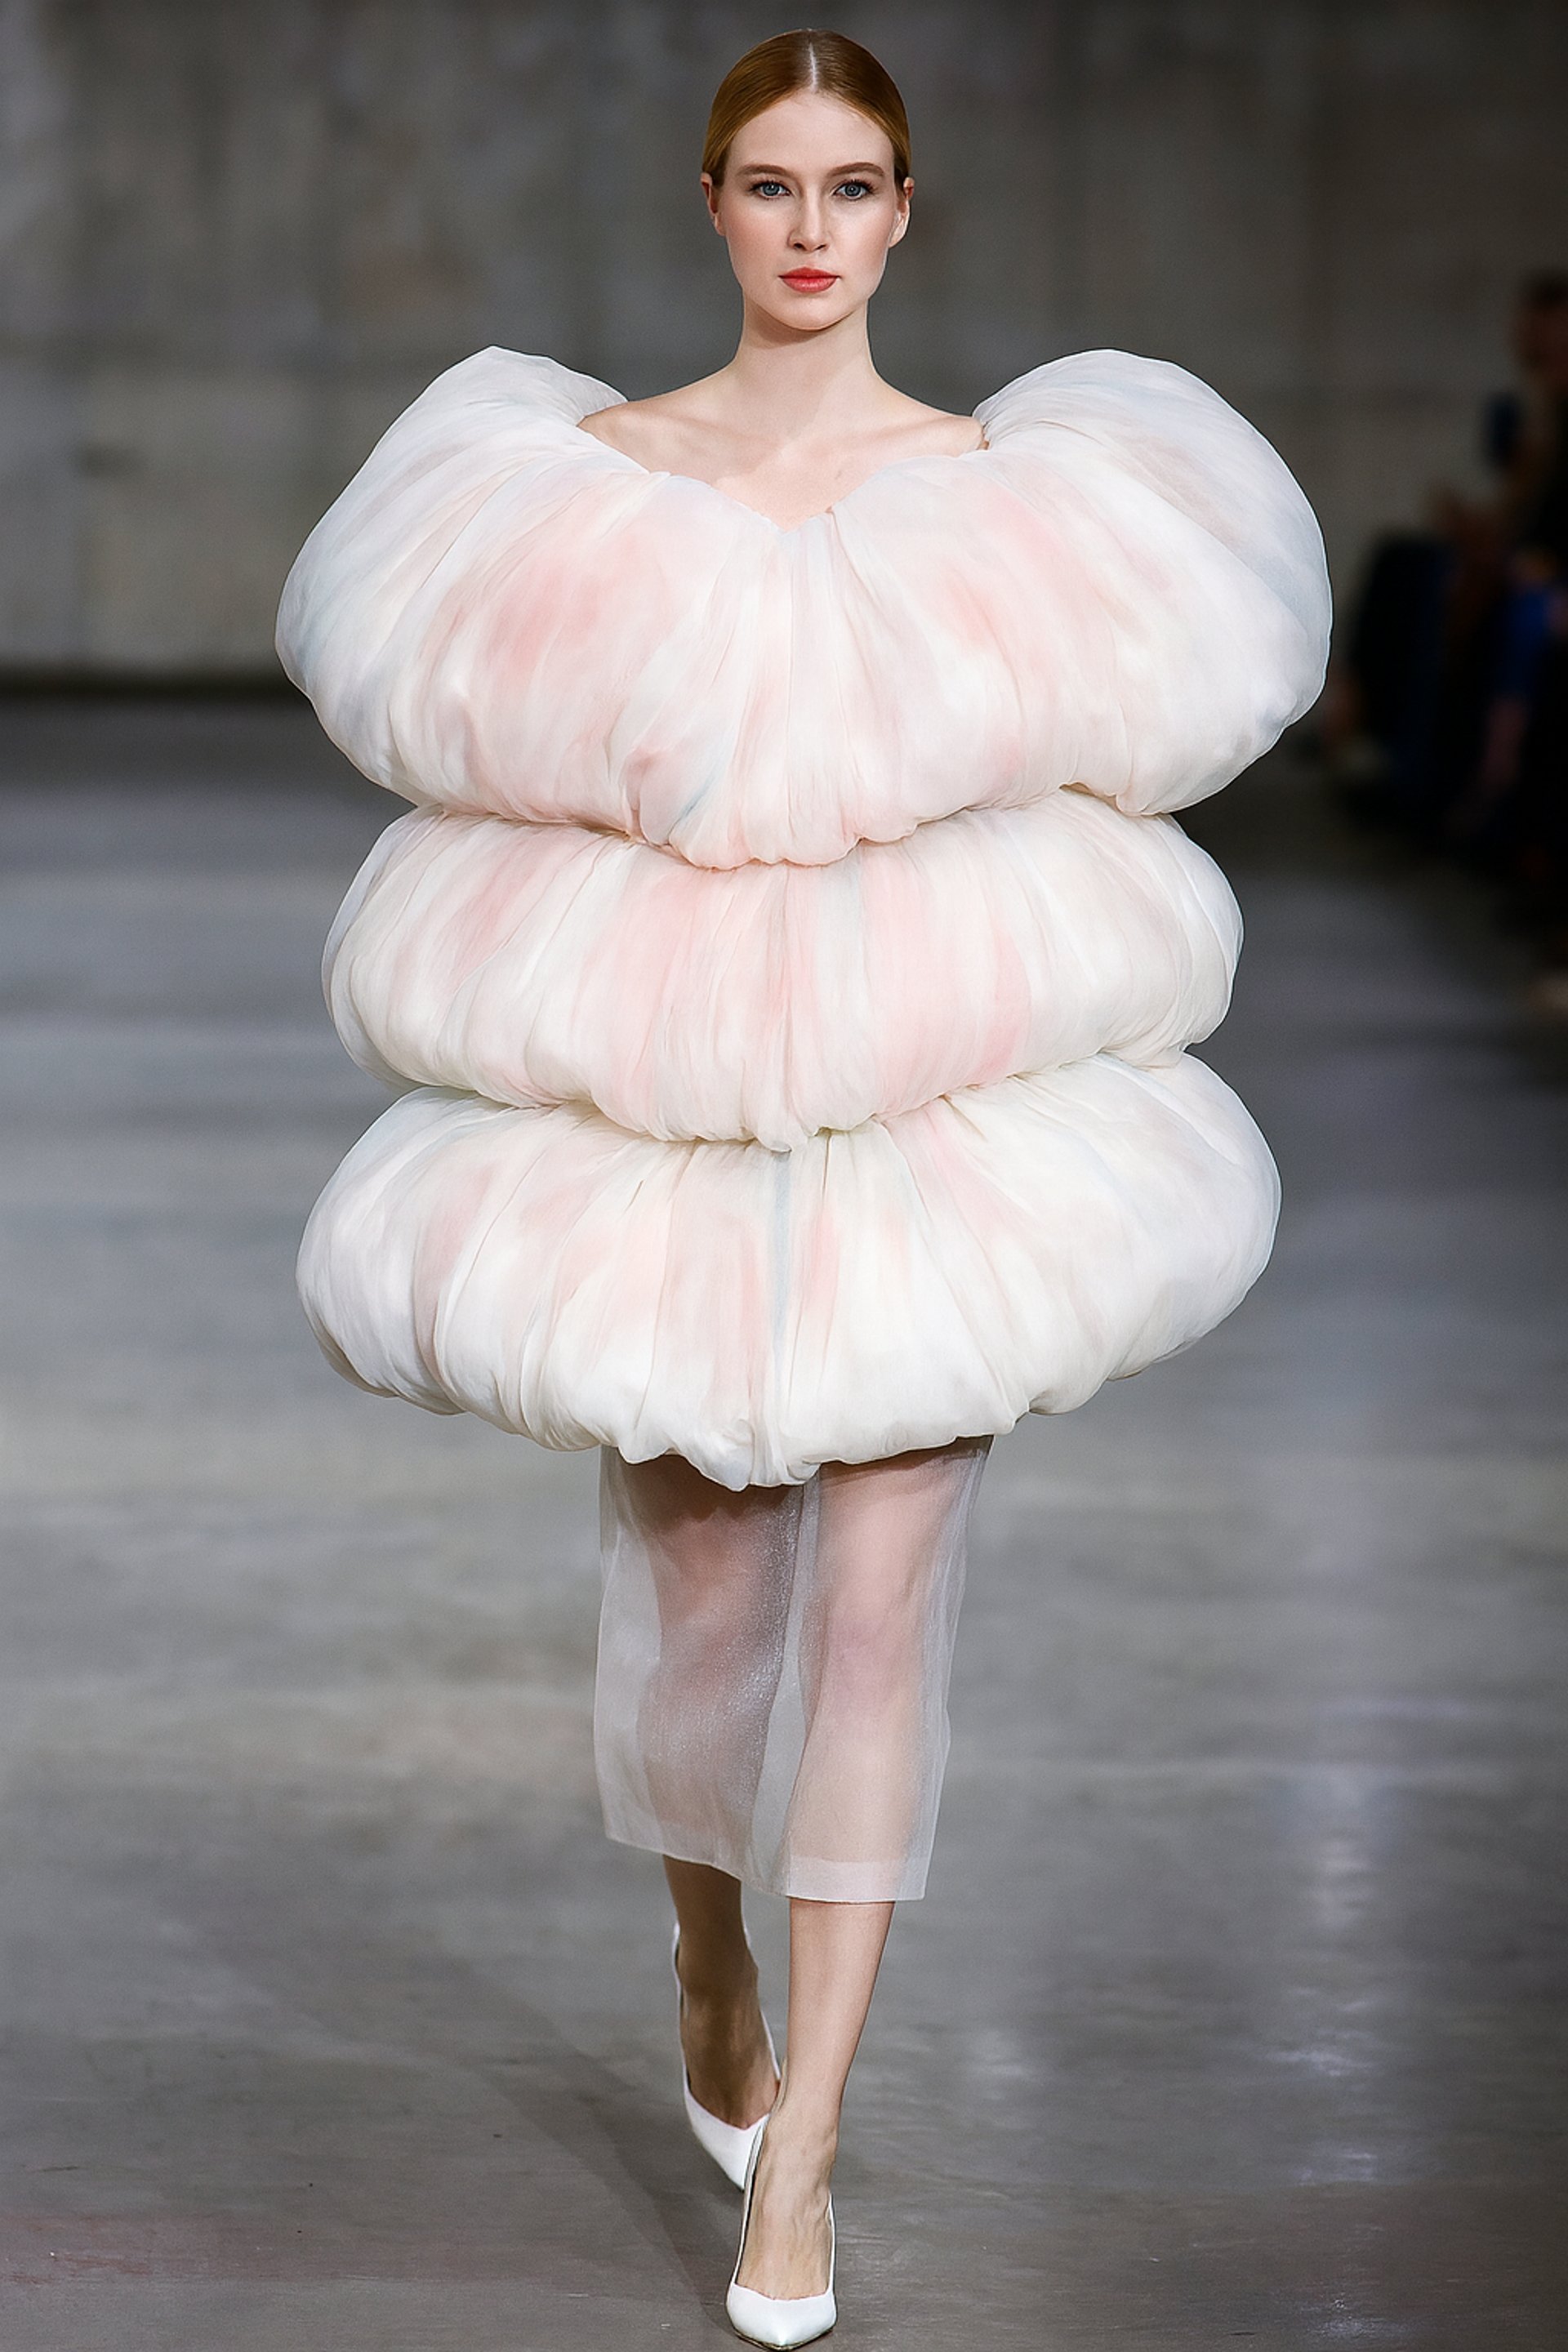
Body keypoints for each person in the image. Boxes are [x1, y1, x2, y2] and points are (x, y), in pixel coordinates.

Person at [275, 27, 1330, 2345]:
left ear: (906, 211)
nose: (814, 228)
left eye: (854, 186)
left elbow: (1090, 778)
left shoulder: (1001, 498)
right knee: (706, 1623)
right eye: (773, 184)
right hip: (672, 1127)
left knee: (877, 1622)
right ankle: (707, 1963)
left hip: (930, 1131)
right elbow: (505, 780)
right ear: (713, 205)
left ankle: (810, 2167)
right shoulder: (590, 488)